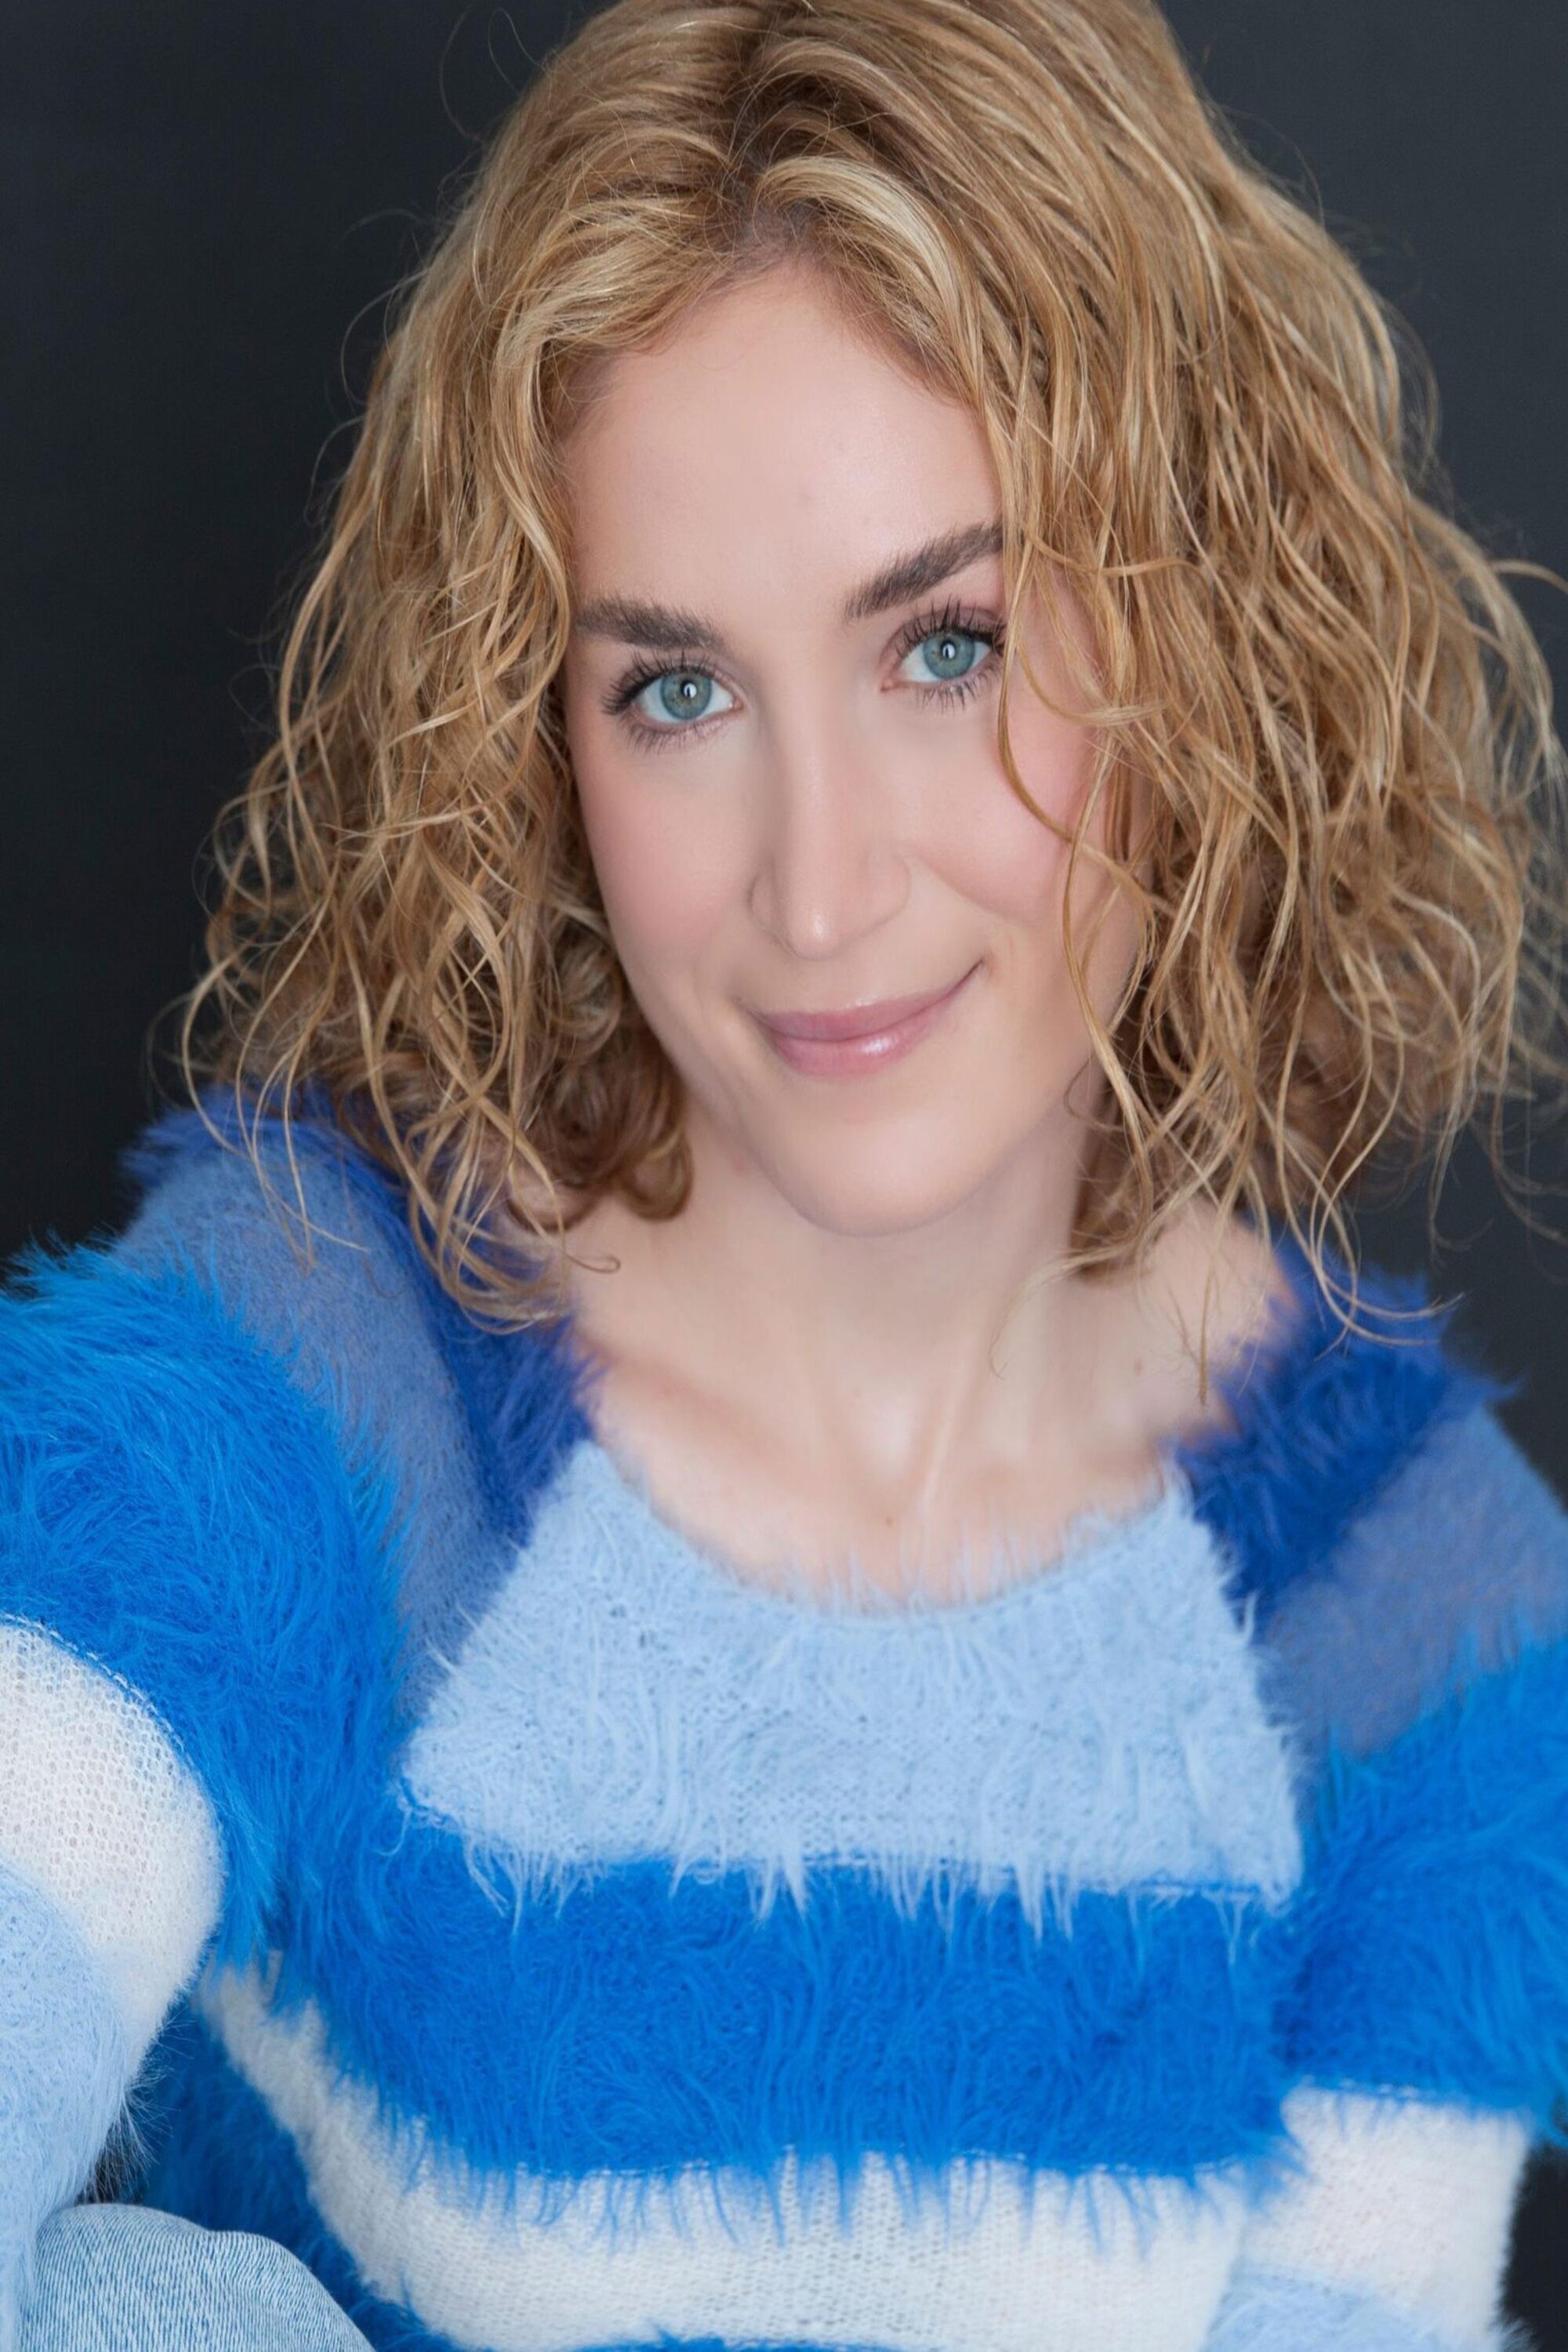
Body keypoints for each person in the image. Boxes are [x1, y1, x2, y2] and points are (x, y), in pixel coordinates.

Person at [3, 0, 1567, 2345]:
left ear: (1196, 627)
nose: (819, 895)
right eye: (679, 690)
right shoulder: (300, 1367)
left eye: (947, 645)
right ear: (538, 734)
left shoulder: (1424, 1624)